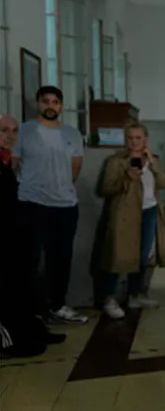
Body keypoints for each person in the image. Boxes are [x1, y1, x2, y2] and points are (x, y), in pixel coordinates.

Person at [12, 86, 88, 324]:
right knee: (29, 259)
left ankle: (57, 305)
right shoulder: (24, 131)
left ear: (61, 106)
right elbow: (14, 163)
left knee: (61, 258)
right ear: (38, 104)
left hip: (65, 205)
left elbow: (75, 168)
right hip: (32, 203)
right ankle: (29, 310)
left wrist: (59, 185)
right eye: (46, 101)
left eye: (55, 102)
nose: (50, 106)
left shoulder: (72, 134)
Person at [0, 114, 65, 358]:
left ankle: (29, 329)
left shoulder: (6, 162)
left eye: (14, 130)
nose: (10, 135)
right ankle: (8, 341)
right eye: (4, 130)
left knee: (24, 285)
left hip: (14, 235)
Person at [95, 122, 165, 319]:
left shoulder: (153, 160)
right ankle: (109, 298)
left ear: (145, 139)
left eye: (138, 138)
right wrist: (125, 179)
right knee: (118, 254)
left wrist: (153, 164)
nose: (134, 142)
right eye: (130, 138)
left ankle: (135, 294)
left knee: (142, 256)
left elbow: (163, 183)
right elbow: (105, 188)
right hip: (125, 214)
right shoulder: (116, 161)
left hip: (149, 211)